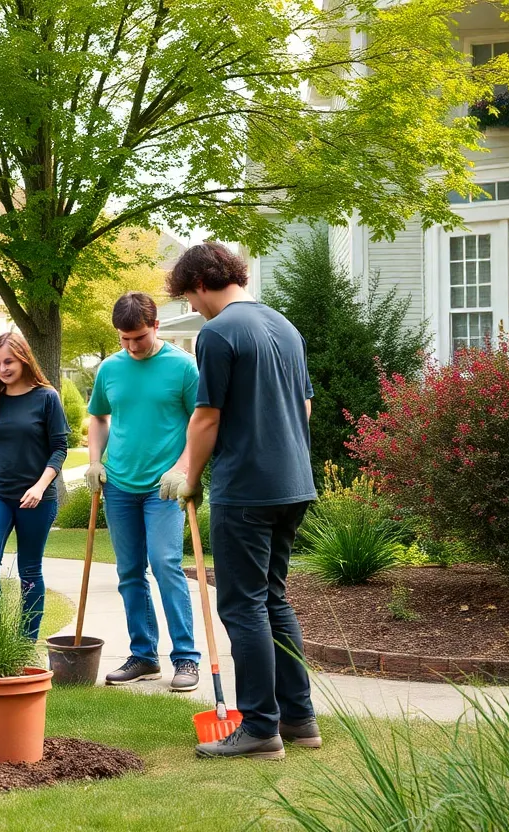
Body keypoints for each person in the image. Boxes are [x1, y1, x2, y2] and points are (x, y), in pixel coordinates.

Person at [159, 242, 319, 761]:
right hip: (293, 482)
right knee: (273, 598)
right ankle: (299, 718)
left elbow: (207, 417)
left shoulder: (220, 332)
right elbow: (306, 406)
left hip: (247, 488)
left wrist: (190, 475)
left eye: (190, 297)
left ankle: (258, 728)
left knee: (243, 604)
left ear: (201, 283)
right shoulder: (285, 326)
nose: (194, 307)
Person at [86, 292, 202, 691]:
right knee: (129, 571)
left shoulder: (184, 368)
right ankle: (144, 655)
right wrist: (95, 460)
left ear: (156, 326)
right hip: (118, 483)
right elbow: (98, 417)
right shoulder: (110, 369)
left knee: (166, 564)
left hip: (163, 487)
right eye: (124, 339)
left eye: (138, 337)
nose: (131, 346)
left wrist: (184, 469)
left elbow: (200, 423)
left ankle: (186, 659)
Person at [0, 332, 68, 641]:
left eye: (8, 361)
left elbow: (59, 447)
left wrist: (39, 486)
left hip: (36, 498)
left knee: (29, 569)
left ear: (23, 359)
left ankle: (25, 641)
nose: (3, 369)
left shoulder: (47, 397)